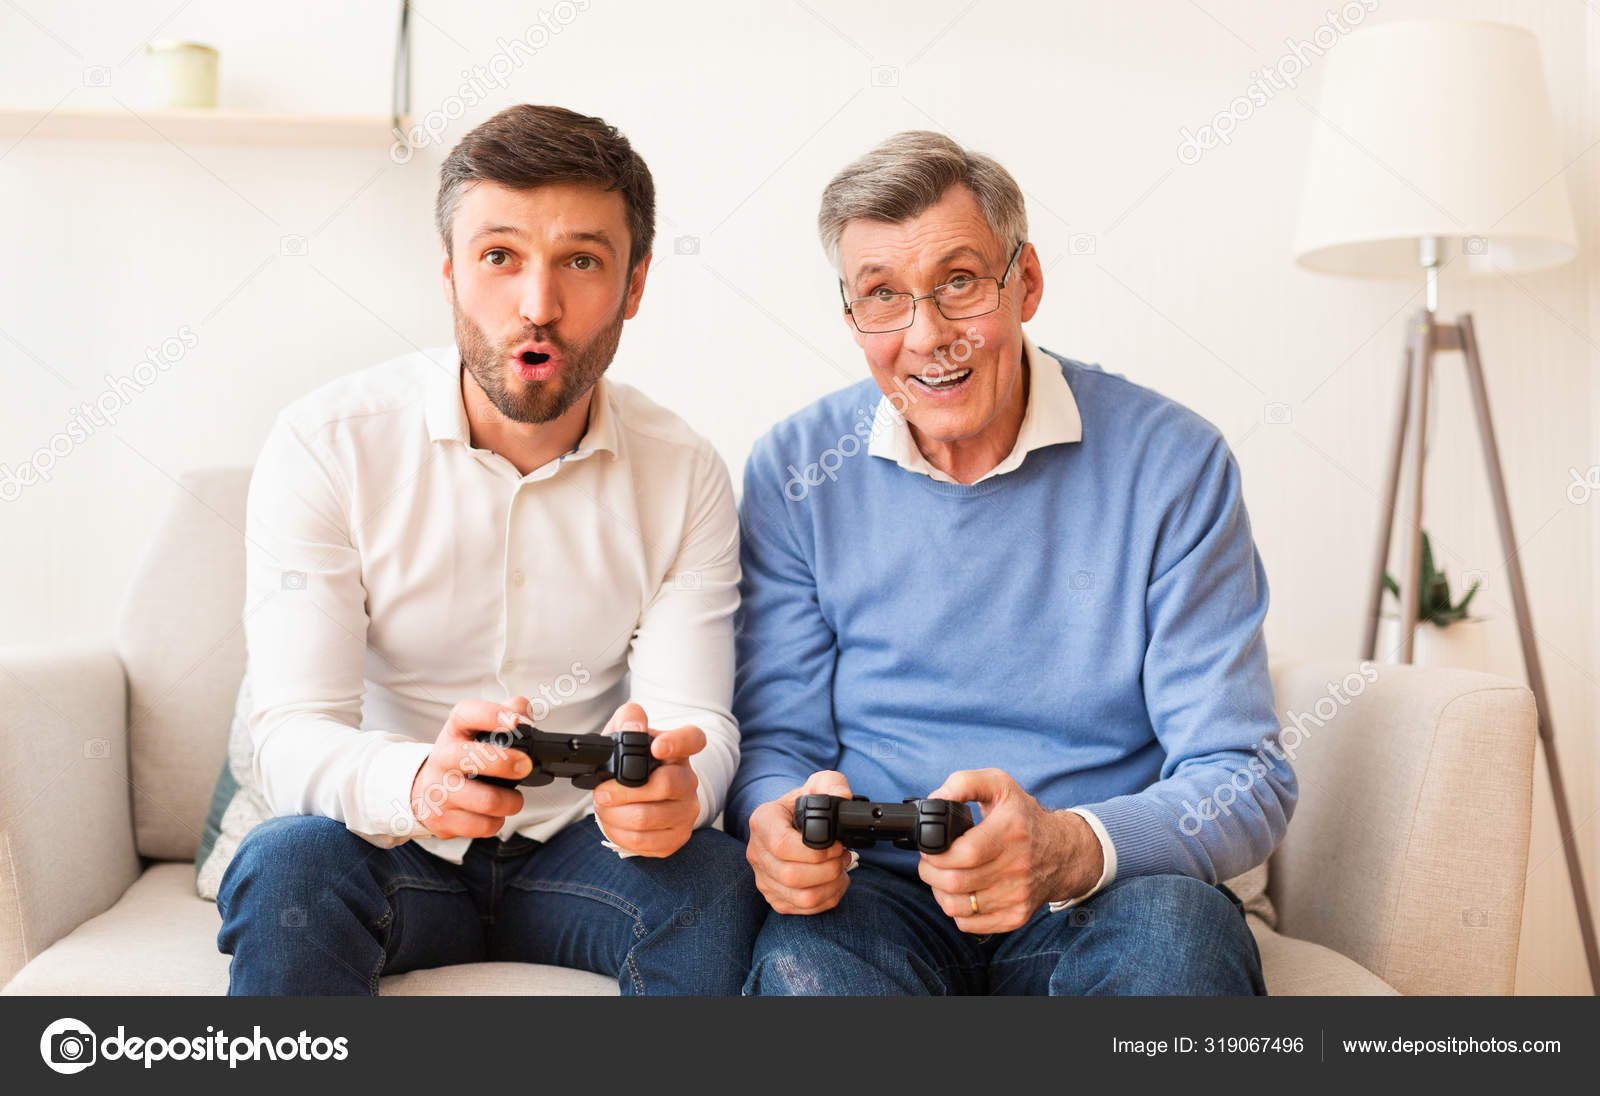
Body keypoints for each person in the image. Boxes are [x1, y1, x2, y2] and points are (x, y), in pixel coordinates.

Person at [727, 131, 1295, 995]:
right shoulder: (796, 470)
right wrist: (771, 819)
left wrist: (1069, 847)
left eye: (958, 283)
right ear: (852, 317)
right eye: (884, 296)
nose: (927, 336)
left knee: (1175, 949)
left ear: (1024, 282)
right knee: (806, 972)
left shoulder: (1174, 463)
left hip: (1108, 891)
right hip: (879, 891)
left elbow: (1241, 778)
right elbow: (778, 745)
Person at [217, 104, 764, 995]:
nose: (537, 307)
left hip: (583, 850)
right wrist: (420, 783)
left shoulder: (686, 472)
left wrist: (677, 794)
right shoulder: (327, 443)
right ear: (448, 272)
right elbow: (291, 732)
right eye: (499, 257)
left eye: (581, 262)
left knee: (715, 882)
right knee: (290, 865)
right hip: (390, 842)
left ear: (634, 285)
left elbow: (694, 724)